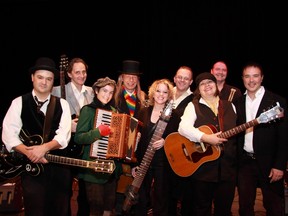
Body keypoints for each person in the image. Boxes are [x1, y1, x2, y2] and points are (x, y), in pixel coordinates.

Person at [1, 57, 72, 216]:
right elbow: (8, 135)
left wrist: (44, 148)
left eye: (49, 79)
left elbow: (64, 137)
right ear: (32, 77)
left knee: (60, 210)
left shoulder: (63, 105)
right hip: (31, 169)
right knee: (35, 210)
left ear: (53, 81)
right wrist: (30, 153)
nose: (44, 82)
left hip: (59, 169)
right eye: (40, 77)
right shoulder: (18, 102)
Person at [178, 72, 237, 215]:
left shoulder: (230, 106)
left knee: (223, 210)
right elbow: (183, 128)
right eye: (202, 84)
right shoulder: (193, 106)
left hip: (227, 170)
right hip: (203, 170)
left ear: (216, 86)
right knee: (201, 209)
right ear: (198, 89)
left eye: (209, 82)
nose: (207, 86)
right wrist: (205, 137)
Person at [234, 62, 288, 216]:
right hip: (245, 162)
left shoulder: (276, 102)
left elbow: (284, 138)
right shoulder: (237, 103)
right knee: (244, 206)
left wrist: (279, 165)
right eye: (247, 76)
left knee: (274, 206)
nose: (251, 80)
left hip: (270, 163)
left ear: (262, 78)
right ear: (243, 79)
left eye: (255, 76)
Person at [131, 78, 181, 216]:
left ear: (169, 95)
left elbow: (178, 139)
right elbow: (134, 140)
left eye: (165, 92)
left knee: (161, 199)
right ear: (153, 93)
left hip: (163, 163)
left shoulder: (175, 116)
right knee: (141, 198)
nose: (161, 94)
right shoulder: (143, 112)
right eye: (158, 91)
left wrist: (166, 141)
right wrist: (134, 163)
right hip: (143, 161)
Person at [74, 76, 122, 216]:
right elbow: (79, 137)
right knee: (96, 208)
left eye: (110, 92)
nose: (107, 95)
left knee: (109, 207)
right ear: (96, 91)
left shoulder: (114, 111)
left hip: (110, 168)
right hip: (93, 169)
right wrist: (98, 133)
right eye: (104, 91)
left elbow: (116, 139)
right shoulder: (88, 110)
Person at [52, 57, 94, 216]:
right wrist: (68, 124)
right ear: (69, 74)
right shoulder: (56, 91)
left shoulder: (91, 92)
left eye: (84, 72)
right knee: (64, 191)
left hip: (85, 149)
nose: (82, 75)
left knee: (85, 192)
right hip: (65, 148)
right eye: (77, 72)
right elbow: (50, 120)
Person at [113, 60, 148, 215]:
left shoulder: (143, 97)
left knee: (137, 193)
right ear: (122, 77)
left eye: (134, 77)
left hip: (138, 150)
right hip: (119, 149)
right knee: (118, 193)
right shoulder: (114, 96)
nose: (131, 80)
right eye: (128, 76)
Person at [170, 65, 194, 215]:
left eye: (186, 78)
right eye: (180, 77)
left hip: (182, 149)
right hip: (163, 147)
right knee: (167, 190)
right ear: (174, 78)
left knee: (185, 191)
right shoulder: (164, 92)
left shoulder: (195, 99)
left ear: (191, 81)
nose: (182, 80)